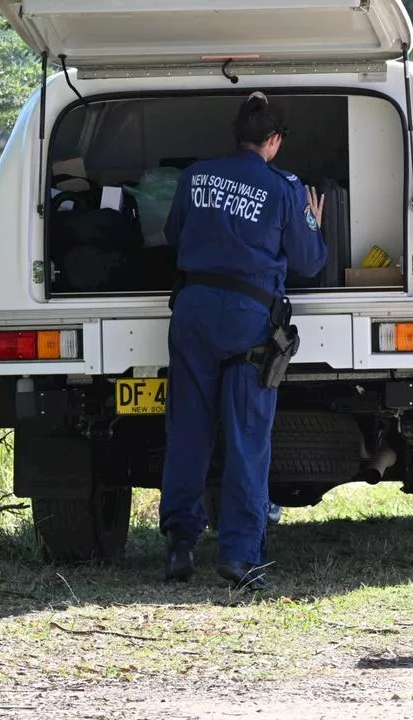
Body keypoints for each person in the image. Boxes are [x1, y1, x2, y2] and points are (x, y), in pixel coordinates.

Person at [159, 92, 327, 590]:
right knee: (247, 438)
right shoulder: (286, 188)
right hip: (248, 321)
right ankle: (239, 556)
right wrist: (313, 216)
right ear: (273, 141)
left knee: (188, 430)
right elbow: (309, 261)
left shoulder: (195, 177)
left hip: (192, 312)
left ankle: (179, 546)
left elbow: (172, 236)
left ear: (238, 135)